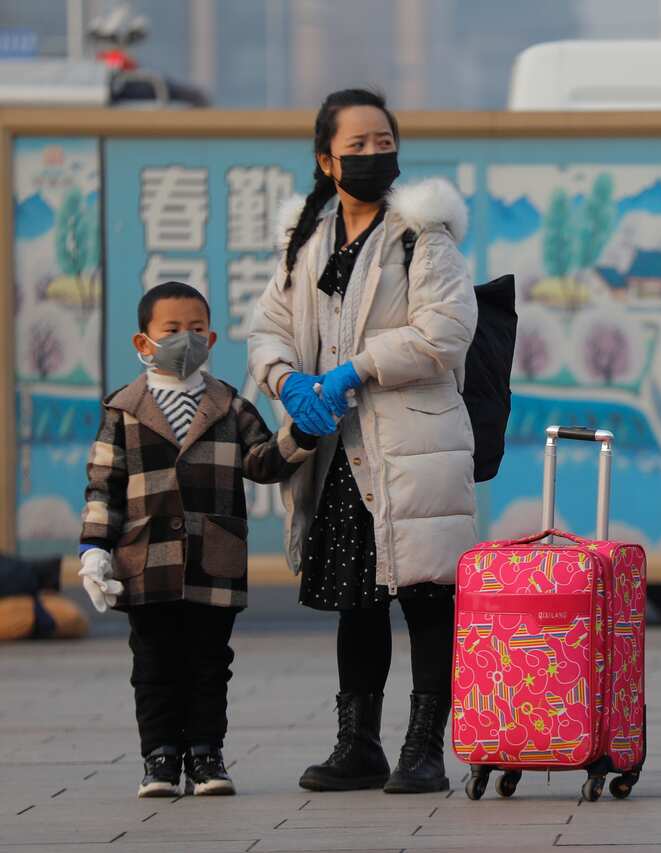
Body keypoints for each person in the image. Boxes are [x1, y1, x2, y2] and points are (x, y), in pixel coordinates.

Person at [248, 88, 478, 795]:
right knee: (358, 598)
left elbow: (446, 329)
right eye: (358, 146)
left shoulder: (421, 235)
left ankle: (424, 748)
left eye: (385, 143)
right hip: (339, 452)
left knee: (426, 596)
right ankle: (359, 744)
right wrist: (287, 381)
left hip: (412, 447)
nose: (376, 156)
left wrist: (356, 365)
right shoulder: (308, 244)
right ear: (327, 159)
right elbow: (268, 329)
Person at [78, 282, 317, 798]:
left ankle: (206, 753)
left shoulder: (229, 405)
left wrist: (304, 433)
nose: (184, 340)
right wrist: (94, 549)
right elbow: (104, 485)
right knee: (153, 662)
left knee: (210, 662)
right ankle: (159, 756)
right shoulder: (123, 409)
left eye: (194, 330)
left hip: (215, 561)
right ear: (144, 343)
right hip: (146, 562)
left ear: (210, 338)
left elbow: (262, 462)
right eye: (171, 330)